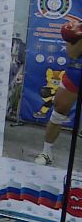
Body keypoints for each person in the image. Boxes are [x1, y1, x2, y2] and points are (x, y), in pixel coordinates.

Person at [36, 20, 82, 166]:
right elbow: (73, 53)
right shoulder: (78, 25)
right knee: (59, 111)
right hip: (76, 72)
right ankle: (46, 152)